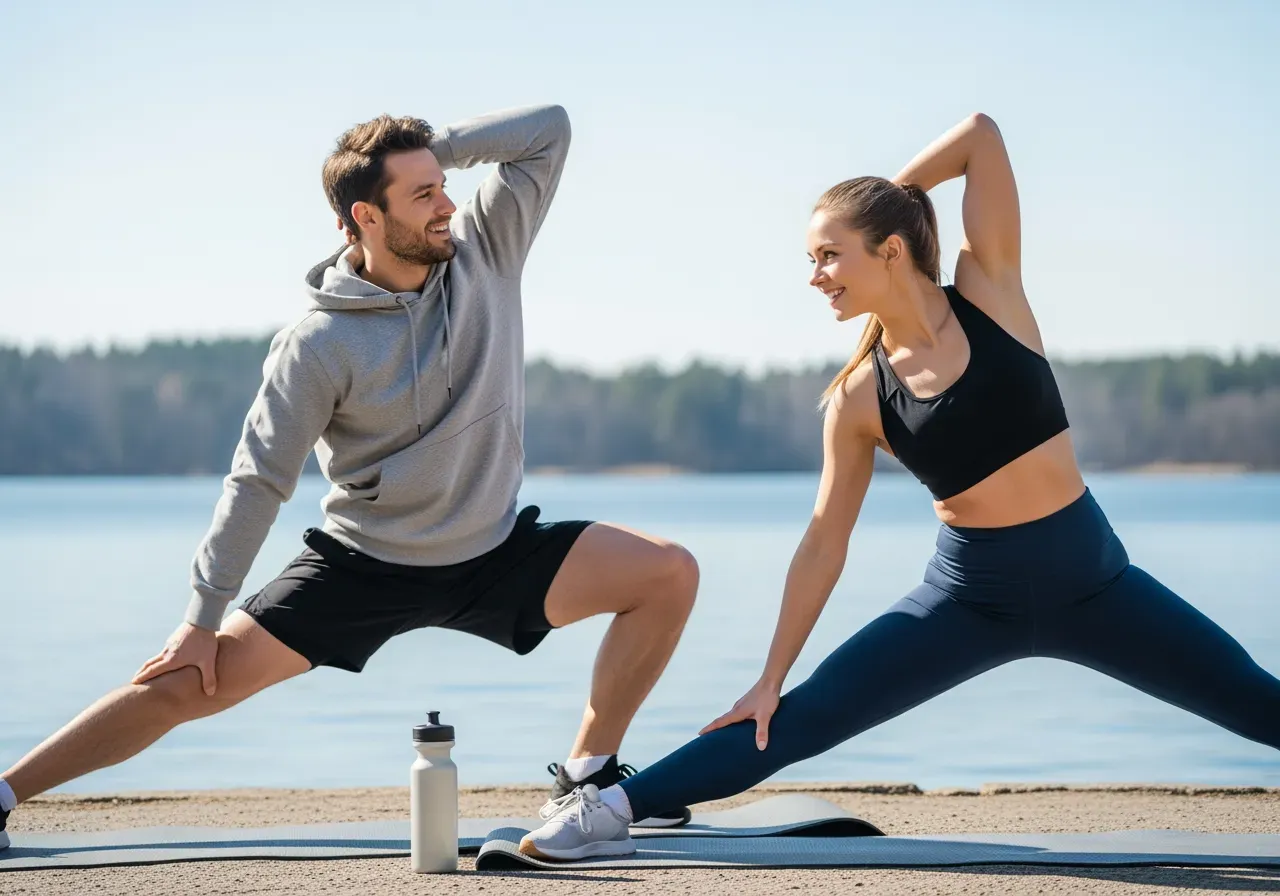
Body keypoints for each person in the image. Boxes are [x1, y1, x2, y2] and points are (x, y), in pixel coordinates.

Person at [518, 112, 1280, 860]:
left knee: (1251, 698)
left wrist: (900, 197)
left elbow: (981, 135)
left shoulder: (990, 293)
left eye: (827, 256)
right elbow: (823, 542)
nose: (814, 277)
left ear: (888, 250)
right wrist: (769, 677)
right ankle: (605, 809)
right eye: (810, 261)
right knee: (788, 721)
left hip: (1093, 580)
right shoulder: (857, 399)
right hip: (967, 598)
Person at [0, 104, 699, 851]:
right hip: (364, 564)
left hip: (494, 551)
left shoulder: (486, 251)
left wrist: (438, 149)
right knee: (184, 683)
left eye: (442, 185)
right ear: (365, 216)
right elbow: (257, 479)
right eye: (424, 194)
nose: (448, 204)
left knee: (666, 573)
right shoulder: (318, 343)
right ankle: (5, 795)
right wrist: (202, 618)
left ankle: (588, 777)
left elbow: (550, 129)